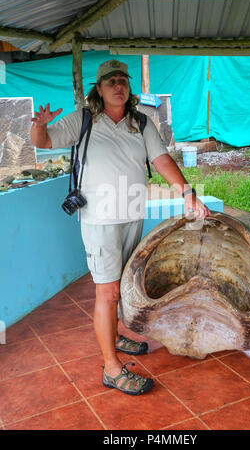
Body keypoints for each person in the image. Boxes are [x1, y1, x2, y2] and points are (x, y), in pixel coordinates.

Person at [30, 59, 211, 396]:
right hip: (99, 220)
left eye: (122, 81)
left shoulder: (141, 122)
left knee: (123, 284)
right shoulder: (83, 119)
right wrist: (39, 126)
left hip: (132, 214)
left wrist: (187, 192)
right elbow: (44, 141)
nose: (118, 86)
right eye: (110, 81)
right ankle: (112, 369)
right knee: (108, 291)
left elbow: (161, 160)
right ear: (98, 89)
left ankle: (114, 335)